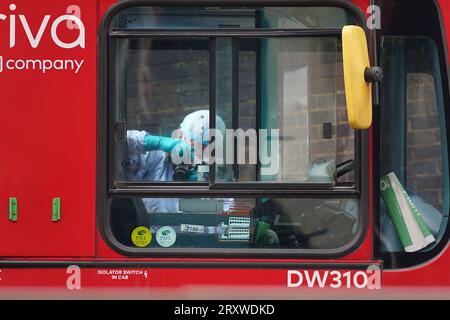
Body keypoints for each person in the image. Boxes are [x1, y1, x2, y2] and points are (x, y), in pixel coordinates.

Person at [124, 109, 226, 213]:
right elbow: (120, 141)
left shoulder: (218, 192)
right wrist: (159, 142)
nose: (189, 156)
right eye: (187, 143)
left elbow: (223, 224)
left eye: (199, 149)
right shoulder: (157, 161)